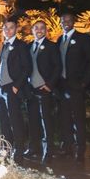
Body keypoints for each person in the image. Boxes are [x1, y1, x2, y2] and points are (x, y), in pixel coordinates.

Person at [56, 12, 90, 162]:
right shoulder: (60, 39)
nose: (65, 22)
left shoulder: (83, 38)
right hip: (62, 85)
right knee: (65, 118)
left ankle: (81, 149)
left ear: (73, 21)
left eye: (68, 20)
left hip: (77, 84)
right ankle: (68, 147)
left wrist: (84, 82)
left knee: (78, 118)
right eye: (63, 20)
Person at [0, 17, 31, 163]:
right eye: (5, 28)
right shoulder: (4, 45)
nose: (8, 30)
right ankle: (7, 148)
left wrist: (16, 86)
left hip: (13, 88)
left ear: (16, 29)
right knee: (4, 120)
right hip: (1, 88)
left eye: (11, 28)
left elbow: (27, 68)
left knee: (15, 120)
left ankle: (19, 150)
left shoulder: (21, 45)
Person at [25, 19, 61, 163]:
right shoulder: (28, 47)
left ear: (46, 31)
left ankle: (49, 150)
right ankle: (34, 148)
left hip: (44, 88)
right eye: (36, 28)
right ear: (32, 30)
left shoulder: (51, 46)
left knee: (46, 120)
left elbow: (58, 67)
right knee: (33, 120)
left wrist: (49, 85)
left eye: (42, 28)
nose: (39, 30)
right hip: (31, 89)